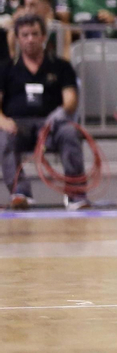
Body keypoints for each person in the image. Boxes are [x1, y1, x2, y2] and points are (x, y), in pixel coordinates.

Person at [0, 14, 86, 209]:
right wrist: (2, 120)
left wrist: (62, 112)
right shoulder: (6, 68)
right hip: (18, 126)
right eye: (25, 35)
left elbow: (71, 99)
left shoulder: (61, 66)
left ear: (44, 36)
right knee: (3, 136)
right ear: (18, 38)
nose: (30, 39)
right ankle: (20, 193)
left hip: (50, 124)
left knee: (70, 132)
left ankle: (76, 195)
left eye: (34, 34)